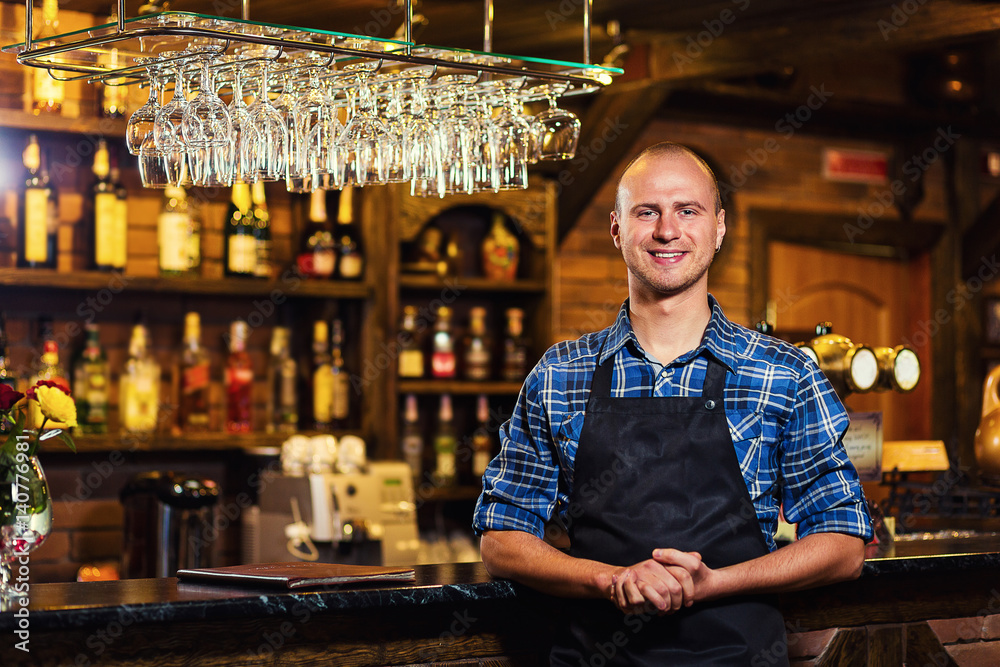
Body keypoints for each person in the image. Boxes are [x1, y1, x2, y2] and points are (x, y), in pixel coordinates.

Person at [473, 142, 873, 666]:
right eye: (647, 212)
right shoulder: (560, 373)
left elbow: (843, 542)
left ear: (718, 227)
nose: (667, 230)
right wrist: (609, 578)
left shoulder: (783, 373)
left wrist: (714, 583)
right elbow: (501, 539)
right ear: (617, 229)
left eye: (688, 210)